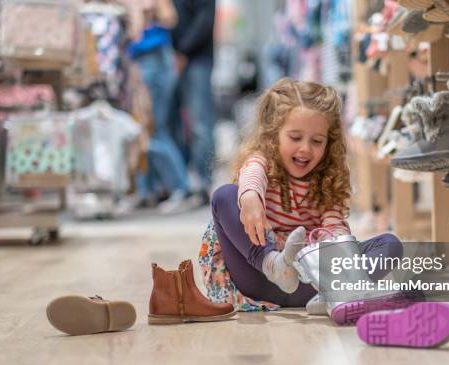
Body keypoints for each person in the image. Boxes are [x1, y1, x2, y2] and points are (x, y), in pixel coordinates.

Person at [198, 78, 404, 313]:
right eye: (295, 138)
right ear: (274, 135)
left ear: (329, 142)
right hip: (257, 276)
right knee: (224, 196)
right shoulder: (263, 160)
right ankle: (276, 265)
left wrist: (341, 262)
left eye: (317, 141)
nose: (305, 148)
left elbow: (335, 231)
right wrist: (250, 197)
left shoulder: (327, 181)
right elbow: (252, 173)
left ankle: (339, 293)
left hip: (307, 284)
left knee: (389, 245)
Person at [129, 3, 198, 212]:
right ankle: (146, 191)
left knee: (154, 130)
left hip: (153, 58)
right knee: (140, 130)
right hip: (138, 61)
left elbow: (170, 17)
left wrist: (144, 12)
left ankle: (182, 188)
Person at [171, 0, 216, 206]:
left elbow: (205, 21)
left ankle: (202, 185)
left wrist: (182, 52)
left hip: (197, 60)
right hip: (175, 59)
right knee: (179, 126)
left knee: (200, 125)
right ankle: (185, 184)